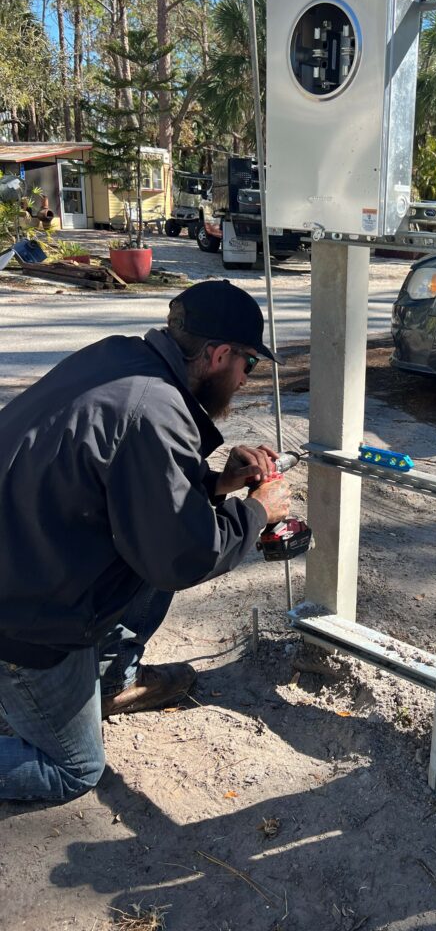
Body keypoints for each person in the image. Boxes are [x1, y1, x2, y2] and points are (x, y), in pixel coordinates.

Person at [0, 280, 291, 803]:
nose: (246, 379)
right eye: (248, 364)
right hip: (21, 615)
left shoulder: (122, 358)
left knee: (152, 550)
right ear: (219, 354)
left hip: (24, 554)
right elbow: (183, 555)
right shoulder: (155, 410)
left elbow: (127, 480)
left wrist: (216, 484)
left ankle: (109, 681)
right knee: (72, 770)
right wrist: (256, 511)